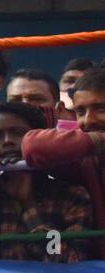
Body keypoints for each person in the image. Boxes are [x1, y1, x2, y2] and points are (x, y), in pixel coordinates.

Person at [0, 101, 91, 262]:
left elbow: (67, 259)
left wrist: (28, 204)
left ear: (39, 139)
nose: (7, 141)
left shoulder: (71, 196)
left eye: (18, 132)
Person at [21, 66, 105, 259]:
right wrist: (98, 140)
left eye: (101, 108)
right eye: (81, 111)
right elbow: (33, 147)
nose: (88, 120)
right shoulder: (85, 159)